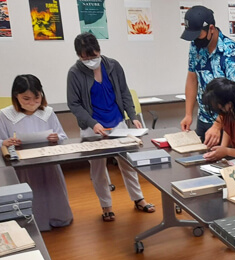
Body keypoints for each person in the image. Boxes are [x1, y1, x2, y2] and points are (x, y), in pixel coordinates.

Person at [66, 32, 154, 222]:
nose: (90, 60)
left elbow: (124, 92)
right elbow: (74, 104)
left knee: (127, 163)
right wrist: (93, 123)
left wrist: (132, 116)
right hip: (93, 127)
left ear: (99, 50)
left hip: (117, 122)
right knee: (98, 169)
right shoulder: (74, 73)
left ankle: (138, 198)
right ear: (79, 55)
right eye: (85, 57)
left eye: (93, 55)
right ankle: (106, 206)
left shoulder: (113, 65)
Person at [0, 75, 73, 231]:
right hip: (22, 166)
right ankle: (33, 223)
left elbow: (62, 136)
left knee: (52, 189)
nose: (32, 103)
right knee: (31, 193)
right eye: (26, 99)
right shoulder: (5, 115)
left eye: (36, 98)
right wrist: (5, 142)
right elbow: (1, 140)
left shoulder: (48, 112)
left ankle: (58, 218)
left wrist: (56, 137)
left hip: (48, 162)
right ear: (16, 97)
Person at [179, 5, 235, 145]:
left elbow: (234, 95)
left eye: (198, 35)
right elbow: (192, 79)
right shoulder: (195, 47)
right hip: (203, 118)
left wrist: (217, 126)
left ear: (211, 28)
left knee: (222, 163)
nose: (196, 40)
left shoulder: (232, 52)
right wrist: (188, 114)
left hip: (226, 123)